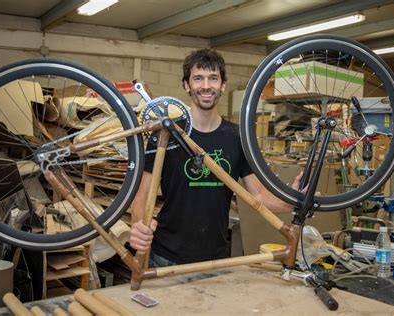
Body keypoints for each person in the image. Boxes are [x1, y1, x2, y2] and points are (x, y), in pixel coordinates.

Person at [129, 48, 301, 267]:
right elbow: (142, 194)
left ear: (222, 85)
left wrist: (293, 202)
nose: (206, 86)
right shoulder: (166, 134)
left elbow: (259, 196)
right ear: (186, 85)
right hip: (166, 256)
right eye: (198, 78)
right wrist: (139, 226)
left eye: (213, 78)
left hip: (216, 258)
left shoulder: (238, 137)